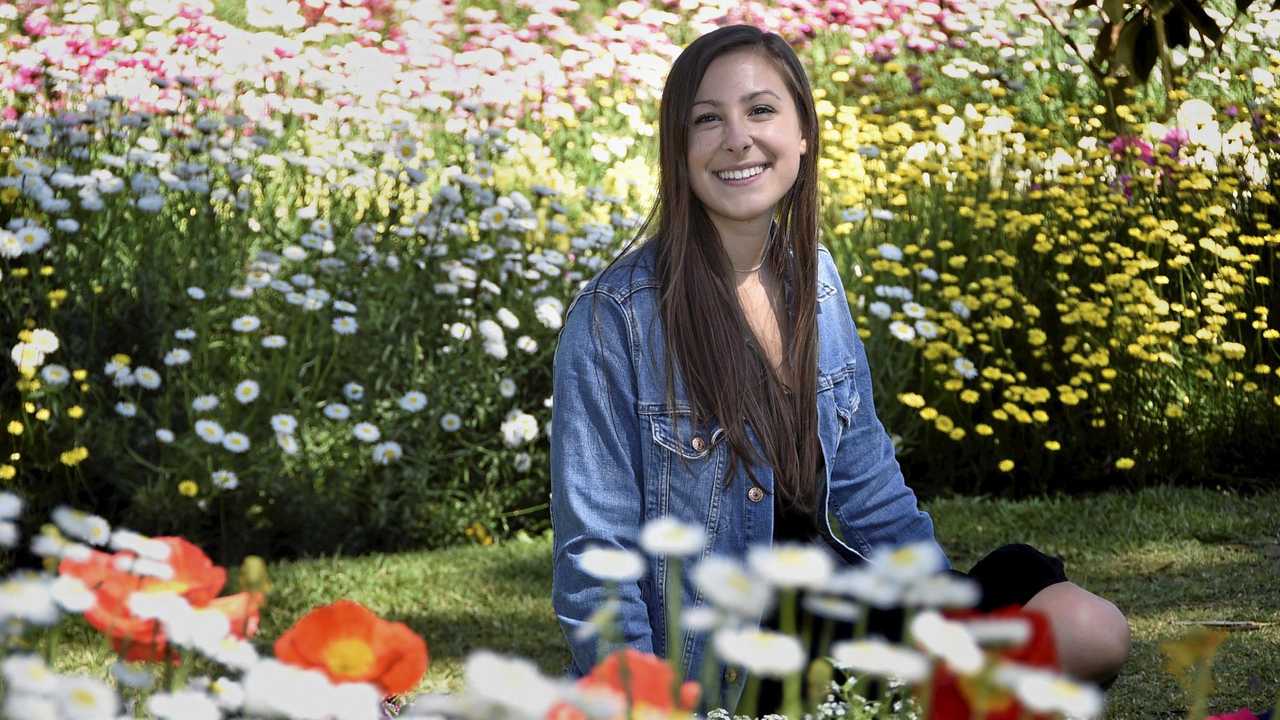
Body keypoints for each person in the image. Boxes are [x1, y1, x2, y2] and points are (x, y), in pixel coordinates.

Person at [549, 24, 1130, 715]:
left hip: (845, 606)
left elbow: (865, 478)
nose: (737, 138)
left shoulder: (813, 279)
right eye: (707, 120)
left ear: (801, 136)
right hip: (733, 659)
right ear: (678, 150)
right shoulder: (613, 320)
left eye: (761, 111)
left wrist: (945, 622)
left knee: (1090, 630)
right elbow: (595, 559)